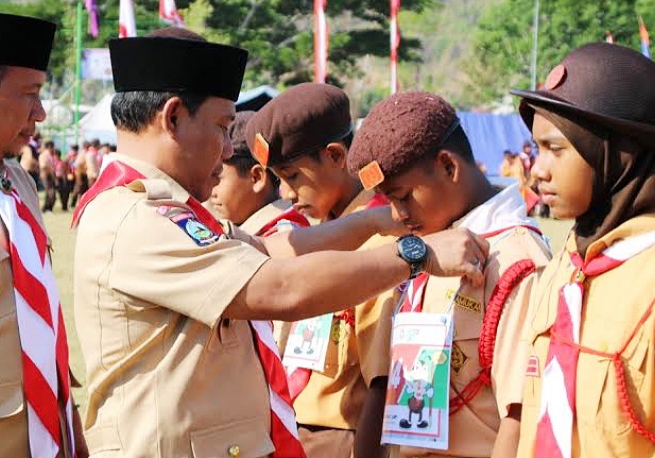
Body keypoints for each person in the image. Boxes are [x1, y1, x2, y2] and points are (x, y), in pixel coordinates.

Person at [71, 27, 489, 458]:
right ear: (173, 117)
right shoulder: (137, 219)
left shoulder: (166, 211)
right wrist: (416, 254)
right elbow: (278, 286)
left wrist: (378, 221)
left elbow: (269, 250)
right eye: (221, 127)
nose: (224, 148)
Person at [346, 92, 551, 458]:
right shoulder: (421, 251)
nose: (398, 214)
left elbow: (519, 417)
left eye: (404, 196)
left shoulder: (515, 260)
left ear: (448, 166)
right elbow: (382, 386)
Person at [511, 43, 655, 458]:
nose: (537, 169)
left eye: (556, 149)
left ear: (617, 156)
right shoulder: (567, 263)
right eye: (536, 148)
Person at [245, 82, 396, 458]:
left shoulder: (380, 242)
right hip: (289, 431)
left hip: (341, 438)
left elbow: (381, 380)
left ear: (335, 155)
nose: (285, 193)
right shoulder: (306, 237)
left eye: (293, 176)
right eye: (278, 179)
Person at [0, 11, 87, 458]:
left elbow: (40, 327)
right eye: (29, 95)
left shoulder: (19, 185)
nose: (40, 113)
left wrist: (71, 428)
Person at [210, 110, 308, 234]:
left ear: (256, 177)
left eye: (218, 176)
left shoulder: (285, 235)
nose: (212, 191)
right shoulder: (247, 231)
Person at [38, 139, 56, 211]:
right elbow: (44, 166)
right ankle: (47, 208)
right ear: (50, 147)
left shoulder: (48, 155)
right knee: (50, 192)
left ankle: (46, 208)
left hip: (48, 175)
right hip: (46, 175)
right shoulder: (45, 155)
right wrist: (51, 174)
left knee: (49, 193)